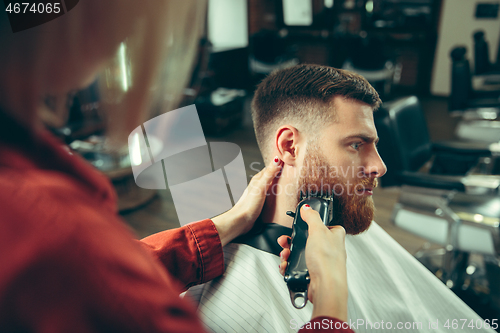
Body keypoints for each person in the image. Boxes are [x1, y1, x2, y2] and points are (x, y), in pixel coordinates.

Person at [0, 2, 354, 332]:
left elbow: (89, 276)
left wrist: (223, 226)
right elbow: (86, 273)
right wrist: (333, 300)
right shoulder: (53, 236)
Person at [186, 64, 496, 333]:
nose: (380, 166)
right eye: (356, 144)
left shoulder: (343, 213)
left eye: (372, 144)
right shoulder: (229, 302)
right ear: (290, 147)